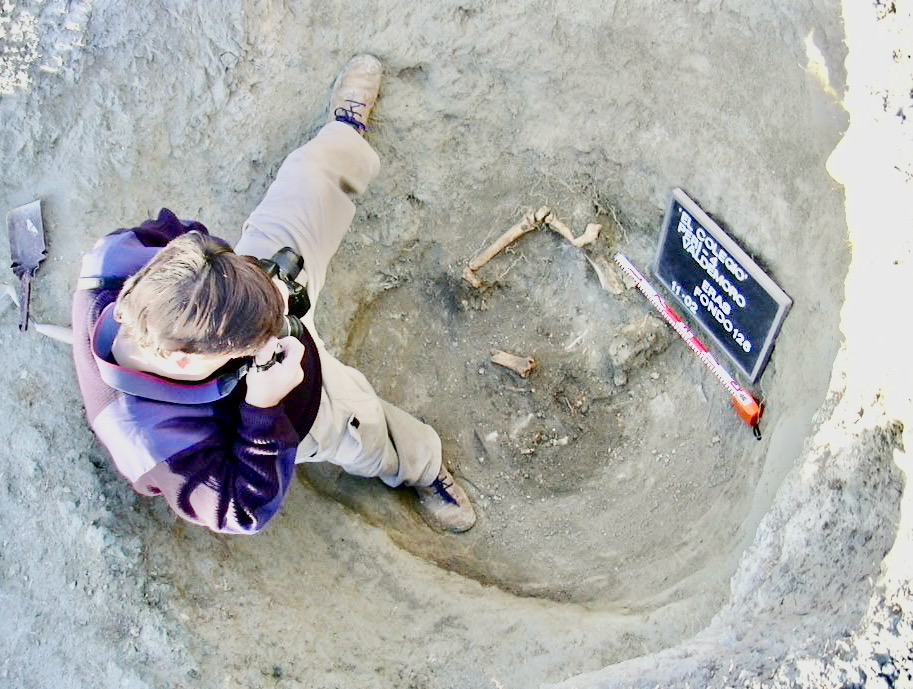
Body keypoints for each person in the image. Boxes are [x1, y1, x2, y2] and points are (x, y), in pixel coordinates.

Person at [71, 55, 476, 535]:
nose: (288, 321)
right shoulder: (153, 442)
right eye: (261, 338)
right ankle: (421, 467)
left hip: (241, 288)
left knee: (308, 183)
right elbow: (242, 509)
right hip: (293, 405)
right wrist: (263, 408)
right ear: (184, 363)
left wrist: (260, 287)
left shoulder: (114, 262)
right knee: (359, 430)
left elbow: (182, 231)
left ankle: (344, 135)